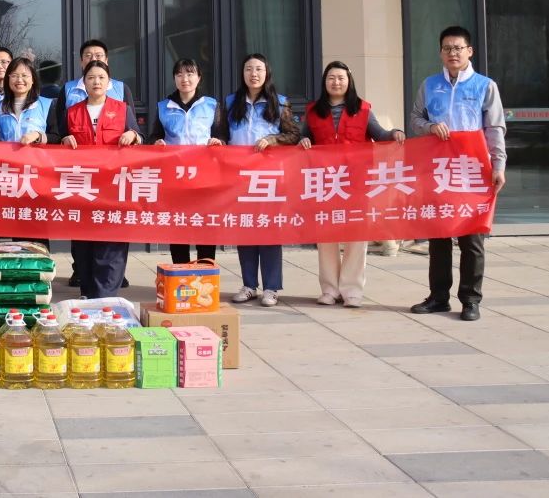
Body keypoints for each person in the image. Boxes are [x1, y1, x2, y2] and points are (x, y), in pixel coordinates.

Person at [408, 26, 506, 322]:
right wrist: (429, 127)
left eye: (458, 48)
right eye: (447, 48)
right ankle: (438, 297)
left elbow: (495, 128)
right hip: (438, 172)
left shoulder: (484, 86)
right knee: (438, 236)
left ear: (469, 51)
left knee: (471, 239)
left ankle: (470, 299)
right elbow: (415, 119)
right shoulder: (429, 85)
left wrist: (498, 166)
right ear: (440, 52)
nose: (453, 53)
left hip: (472, 172)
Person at [299, 61, 405, 308]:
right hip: (325, 182)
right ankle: (329, 289)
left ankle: (352, 290)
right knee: (326, 236)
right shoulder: (313, 110)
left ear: (349, 81)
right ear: (324, 82)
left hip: (356, 181)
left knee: (356, 236)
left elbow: (380, 134)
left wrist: (394, 133)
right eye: (331, 78)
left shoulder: (363, 109)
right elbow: (305, 136)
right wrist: (303, 140)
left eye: (341, 78)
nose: (336, 82)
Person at [48, 40, 141, 288]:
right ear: (84, 82)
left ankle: (107, 290)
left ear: (108, 82)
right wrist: (64, 139)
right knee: (84, 239)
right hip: (83, 185)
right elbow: (59, 138)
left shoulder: (121, 109)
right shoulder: (72, 112)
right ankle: (87, 288)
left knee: (112, 238)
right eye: (91, 78)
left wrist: (133, 135)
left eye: (101, 77)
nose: (96, 82)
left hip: (113, 184)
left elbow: (139, 137)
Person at [217, 53, 300, 307]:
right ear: (242, 73)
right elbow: (222, 134)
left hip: (269, 177)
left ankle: (271, 287)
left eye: (259, 69)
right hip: (239, 176)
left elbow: (294, 134)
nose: (254, 74)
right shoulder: (231, 102)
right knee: (246, 230)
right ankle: (249, 285)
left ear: (267, 73)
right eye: (249, 69)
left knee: (269, 230)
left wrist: (273, 139)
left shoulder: (279, 102)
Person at [148, 58, 225, 265]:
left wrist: (219, 141)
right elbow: (154, 135)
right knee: (178, 227)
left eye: (190, 74)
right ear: (174, 78)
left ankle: (205, 272)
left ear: (199, 78)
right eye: (180, 74)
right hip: (176, 177)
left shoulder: (211, 105)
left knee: (205, 227)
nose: (185, 79)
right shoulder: (164, 106)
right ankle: (181, 273)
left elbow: (222, 135)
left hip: (205, 177)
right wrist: (157, 142)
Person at [0, 56, 55, 147]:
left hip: (35, 156)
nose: (19, 80)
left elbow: (57, 137)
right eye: (14, 75)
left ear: (33, 79)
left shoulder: (47, 105)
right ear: (8, 79)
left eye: (24, 75)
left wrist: (38, 135)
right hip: (6, 156)